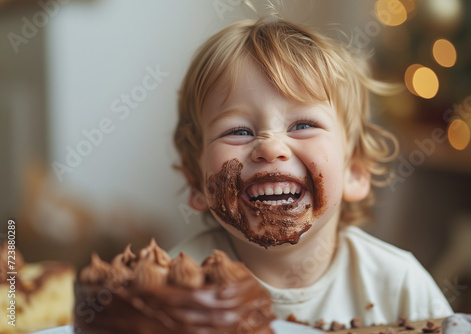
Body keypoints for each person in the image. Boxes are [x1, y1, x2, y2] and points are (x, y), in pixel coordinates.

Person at [171, 12, 453, 329]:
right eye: (238, 131)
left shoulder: (399, 286)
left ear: (355, 171)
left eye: (303, 125)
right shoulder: (173, 287)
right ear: (195, 182)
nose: (270, 147)